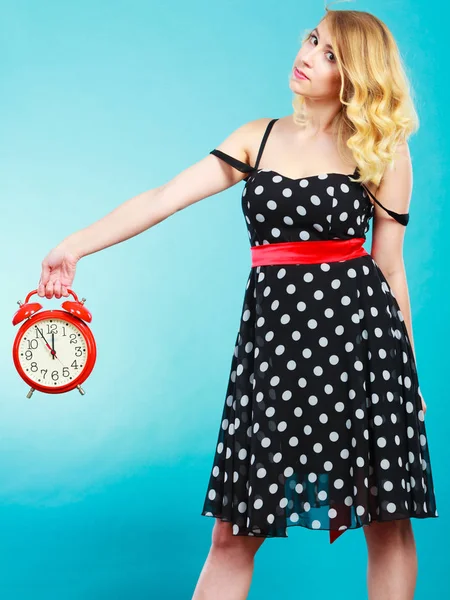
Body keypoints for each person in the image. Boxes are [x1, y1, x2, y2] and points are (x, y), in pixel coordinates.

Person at [37, 7, 438, 600]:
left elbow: (390, 267)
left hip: (362, 349)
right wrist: (75, 245)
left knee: (386, 521)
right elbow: (163, 197)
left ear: (355, 75)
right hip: (273, 351)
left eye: (330, 54)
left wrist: (408, 372)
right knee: (233, 532)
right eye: (312, 40)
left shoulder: (383, 151)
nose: (307, 56)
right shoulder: (259, 136)